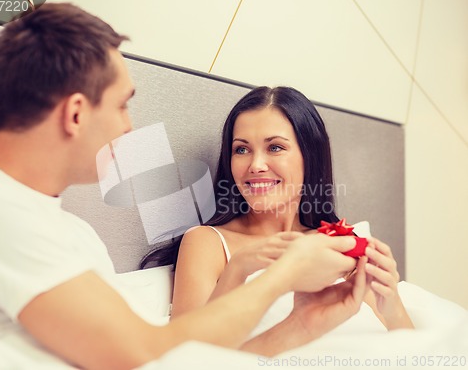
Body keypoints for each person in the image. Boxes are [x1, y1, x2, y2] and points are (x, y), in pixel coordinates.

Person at [0, 3, 370, 369]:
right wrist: (283, 275)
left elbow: (163, 355)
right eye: (123, 104)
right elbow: (145, 357)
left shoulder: (68, 231)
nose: (128, 126)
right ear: (76, 113)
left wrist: (301, 324)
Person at [144, 86, 413, 334]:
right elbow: (185, 353)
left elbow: (410, 349)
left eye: (275, 147)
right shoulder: (208, 243)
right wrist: (238, 268)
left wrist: (390, 302)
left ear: (310, 156)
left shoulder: (339, 247)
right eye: (241, 149)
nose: (256, 165)